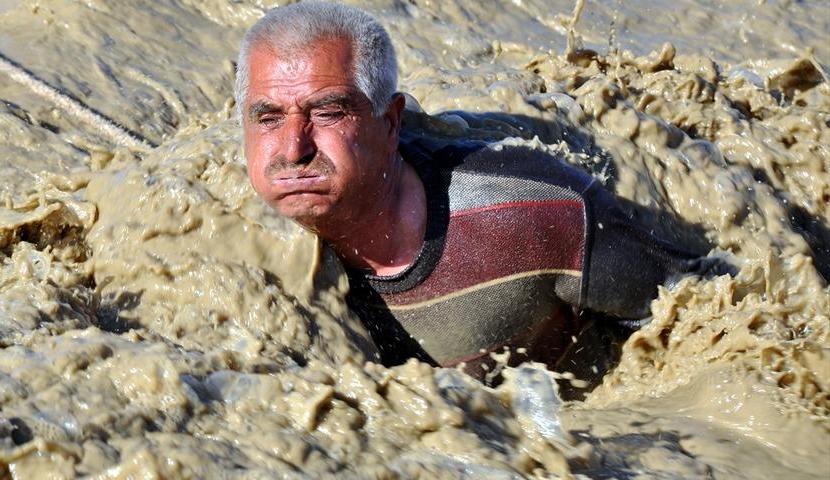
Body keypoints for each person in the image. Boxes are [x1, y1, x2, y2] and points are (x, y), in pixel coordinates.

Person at [236, 2, 726, 380]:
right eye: (269, 117)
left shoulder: (533, 215)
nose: (294, 148)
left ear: (390, 124)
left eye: (327, 112)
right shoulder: (216, 239)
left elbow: (722, 311)